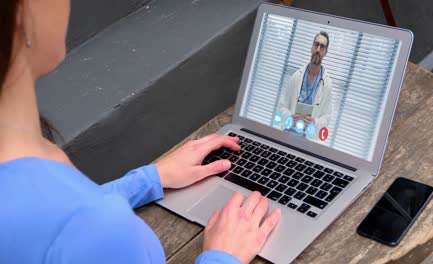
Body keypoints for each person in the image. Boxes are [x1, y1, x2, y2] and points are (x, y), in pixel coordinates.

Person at [0, 0, 281, 263]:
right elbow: (72, 227)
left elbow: (46, 220)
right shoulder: (98, 231)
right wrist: (223, 256)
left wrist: (148, 179)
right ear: (23, 11)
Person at [278, 31, 333, 140]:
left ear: (325, 52)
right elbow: (282, 106)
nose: (318, 49)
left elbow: (327, 118)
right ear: (311, 48)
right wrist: (290, 117)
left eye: (322, 47)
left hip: (308, 139)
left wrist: (314, 122)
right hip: (288, 133)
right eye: (316, 45)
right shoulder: (296, 76)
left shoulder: (327, 85)